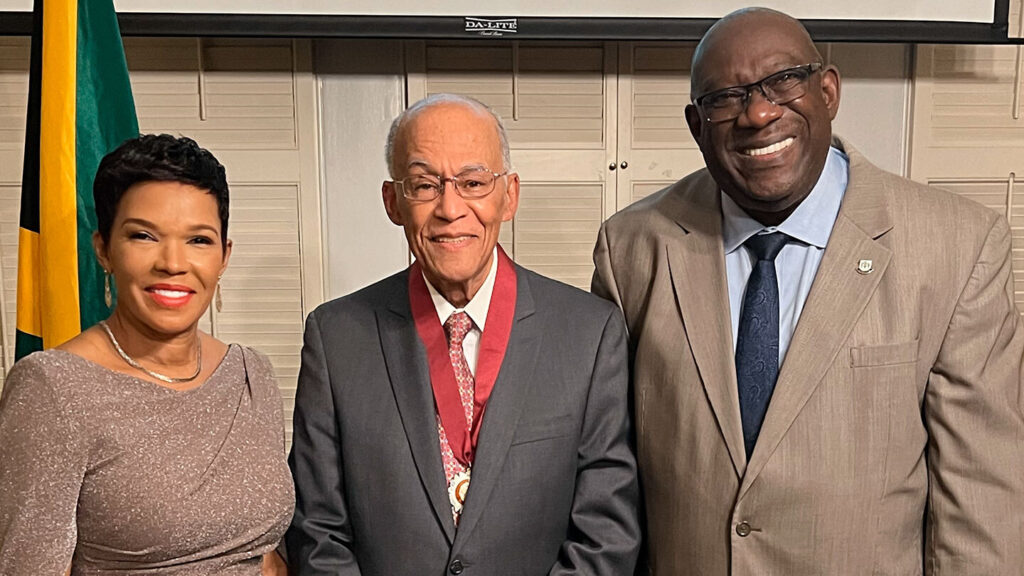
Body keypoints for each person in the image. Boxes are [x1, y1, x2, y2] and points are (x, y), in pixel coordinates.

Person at [592, 8, 1024, 575]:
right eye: (726, 98)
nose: (759, 113)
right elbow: (607, 479)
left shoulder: (959, 247)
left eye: (783, 81)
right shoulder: (630, 248)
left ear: (828, 91)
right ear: (697, 126)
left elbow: (981, 505)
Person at [286, 93, 640, 575]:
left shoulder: (589, 333)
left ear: (509, 195)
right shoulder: (336, 337)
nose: (450, 209)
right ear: (393, 202)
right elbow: (318, 530)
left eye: (473, 182)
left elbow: (606, 531)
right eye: (424, 185)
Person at [0, 134, 294, 574]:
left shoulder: (252, 373)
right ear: (104, 249)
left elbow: (265, 554)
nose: (173, 262)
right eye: (143, 236)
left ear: (224, 256)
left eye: (198, 240)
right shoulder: (52, 388)